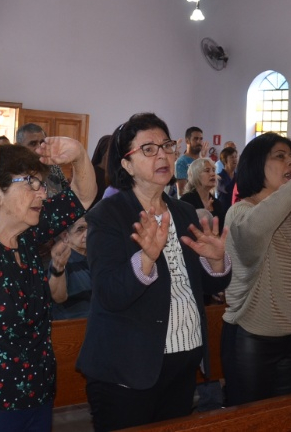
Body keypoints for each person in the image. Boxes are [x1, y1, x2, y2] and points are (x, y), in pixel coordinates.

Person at [76, 113, 231, 431]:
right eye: (148, 149)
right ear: (126, 164)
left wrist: (216, 261)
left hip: (184, 360)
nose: (162, 154)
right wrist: (147, 258)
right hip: (128, 367)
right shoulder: (108, 215)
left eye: (166, 145)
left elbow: (205, 284)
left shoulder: (183, 210)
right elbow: (109, 294)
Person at [0, 117, 95, 430]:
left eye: (42, 185)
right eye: (31, 185)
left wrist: (78, 155)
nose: (42, 195)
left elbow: (83, 196)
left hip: (36, 397)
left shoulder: (28, 236)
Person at [222, 128, 291, 405]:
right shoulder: (240, 212)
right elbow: (256, 231)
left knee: (286, 419)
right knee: (250, 422)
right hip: (251, 339)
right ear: (257, 164)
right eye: (280, 156)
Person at [49, 217, 92, 319]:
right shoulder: (60, 262)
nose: (87, 234)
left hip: (99, 322)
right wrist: (59, 268)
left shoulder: (97, 259)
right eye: (80, 229)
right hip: (72, 326)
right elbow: (58, 298)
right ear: (65, 236)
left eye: (90, 228)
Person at [174, 126, 204, 193]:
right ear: (187, 141)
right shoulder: (181, 162)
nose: (199, 142)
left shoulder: (204, 162)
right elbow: (182, 191)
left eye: (201, 139)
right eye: (195, 139)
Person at [216, 146, 238, 222]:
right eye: (232, 157)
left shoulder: (238, 176)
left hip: (236, 213)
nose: (235, 159)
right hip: (223, 213)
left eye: (236, 157)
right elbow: (227, 189)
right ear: (225, 160)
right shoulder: (219, 177)